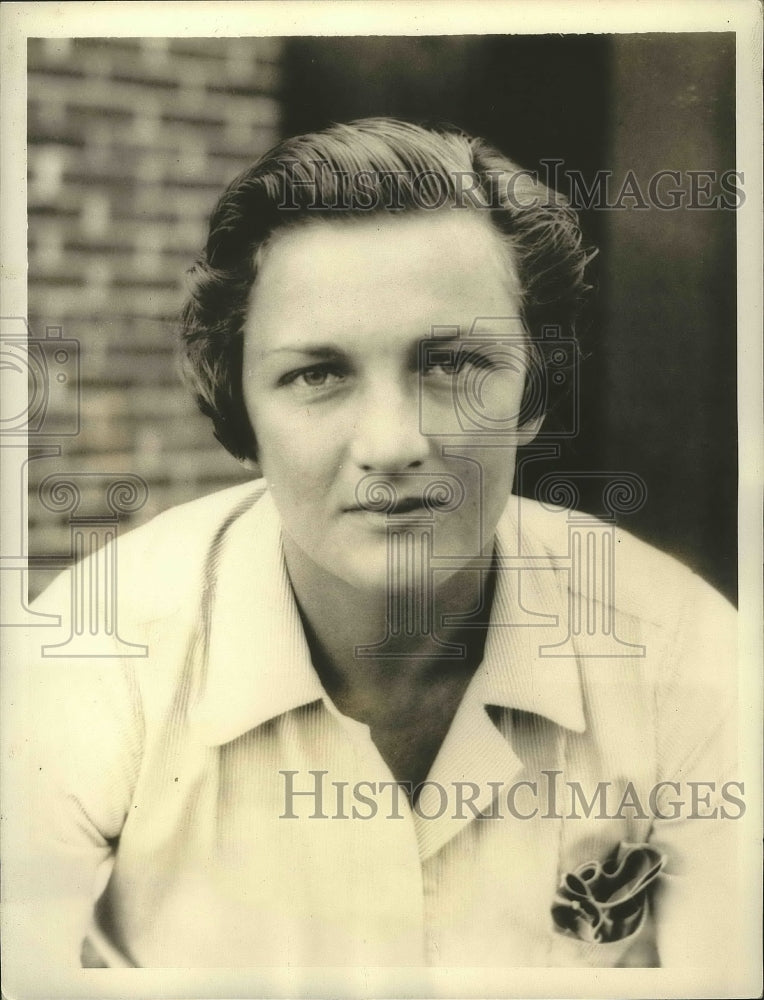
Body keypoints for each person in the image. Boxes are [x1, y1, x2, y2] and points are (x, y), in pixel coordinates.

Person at [14, 119, 741, 973]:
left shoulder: (680, 645)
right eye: (316, 374)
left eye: (453, 362)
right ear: (241, 416)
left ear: (535, 394)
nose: (391, 443)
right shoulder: (95, 659)